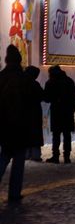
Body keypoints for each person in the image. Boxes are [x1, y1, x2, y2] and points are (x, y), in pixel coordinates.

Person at [0, 45, 41, 202]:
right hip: (21, 127)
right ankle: (14, 193)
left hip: (4, 126)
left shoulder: (2, 77)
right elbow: (34, 99)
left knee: (4, 156)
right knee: (18, 161)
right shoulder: (24, 79)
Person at [43, 64, 75, 164]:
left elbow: (46, 98)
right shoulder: (69, 81)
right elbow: (74, 96)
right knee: (67, 134)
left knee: (56, 135)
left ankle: (55, 156)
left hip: (56, 111)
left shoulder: (50, 82)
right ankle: (67, 157)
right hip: (68, 111)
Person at [23, 65, 44, 162]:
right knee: (35, 133)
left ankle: (26, 154)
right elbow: (42, 96)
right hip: (35, 112)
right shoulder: (35, 85)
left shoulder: (21, 83)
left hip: (23, 112)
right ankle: (35, 154)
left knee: (25, 133)